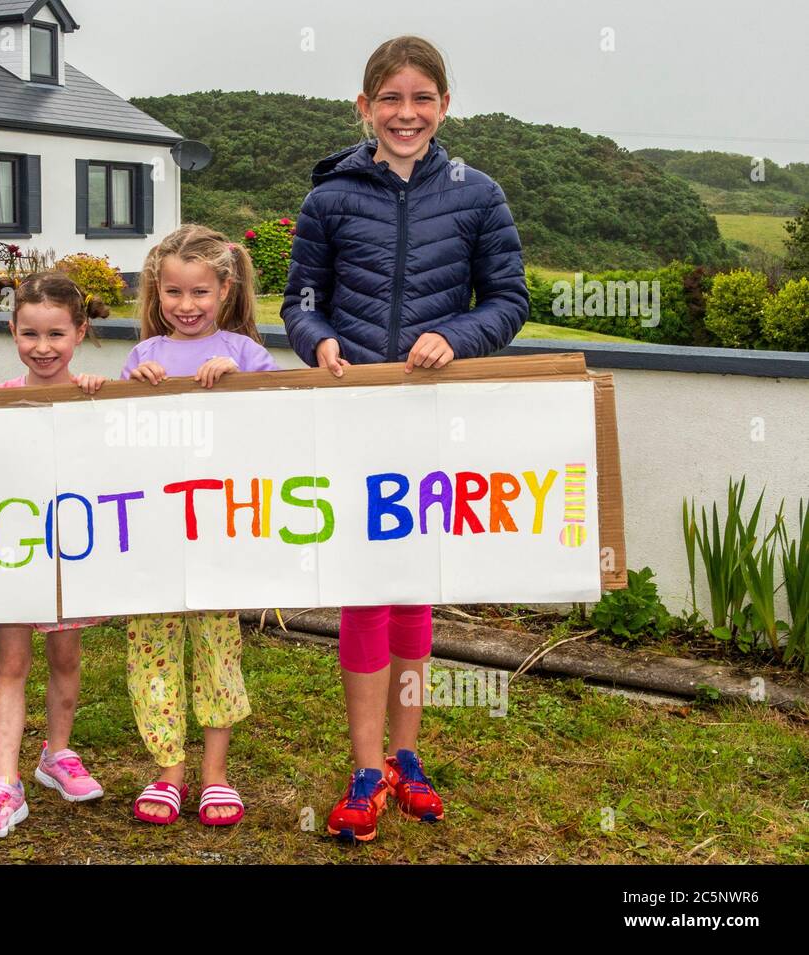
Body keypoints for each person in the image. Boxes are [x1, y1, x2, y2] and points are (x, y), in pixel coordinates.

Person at [281, 35, 529, 842]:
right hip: (355, 410)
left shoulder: (480, 195)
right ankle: (363, 766)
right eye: (390, 98)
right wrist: (316, 339)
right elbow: (300, 301)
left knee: (413, 585)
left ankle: (407, 755)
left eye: (422, 98)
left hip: (430, 414)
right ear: (364, 108)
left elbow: (508, 299)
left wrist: (456, 336)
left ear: (445, 107)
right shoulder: (328, 199)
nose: (406, 112)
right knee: (364, 583)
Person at [0, 271, 110, 838]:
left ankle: (57, 754)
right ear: (11, 330)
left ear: (79, 331)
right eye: (29, 333)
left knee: (66, 659)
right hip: (13, 556)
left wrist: (107, 401)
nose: (43, 346)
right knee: (11, 663)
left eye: (56, 333)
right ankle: (5, 784)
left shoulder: (95, 398)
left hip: (71, 555)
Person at [121, 224, 276, 826]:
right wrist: (131, 392)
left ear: (225, 289)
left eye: (199, 294)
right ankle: (168, 773)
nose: (186, 307)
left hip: (216, 532)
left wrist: (239, 384)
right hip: (157, 532)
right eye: (173, 294)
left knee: (217, 648)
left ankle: (215, 775)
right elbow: (119, 434)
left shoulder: (245, 354)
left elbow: (280, 417)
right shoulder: (144, 357)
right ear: (156, 294)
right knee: (153, 651)